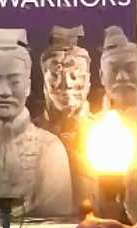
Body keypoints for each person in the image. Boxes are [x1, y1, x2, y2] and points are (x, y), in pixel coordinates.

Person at [0, 28, 72, 218]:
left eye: (14, 82)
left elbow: (56, 216)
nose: (4, 91)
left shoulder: (50, 148)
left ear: (27, 86)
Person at [34, 25, 93, 205]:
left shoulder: (108, 132)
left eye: (75, 75)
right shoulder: (32, 130)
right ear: (44, 81)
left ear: (88, 81)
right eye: (56, 74)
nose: (66, 84)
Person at [99, 26, 137, 114]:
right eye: (114, 70)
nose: (122, 77)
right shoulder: (91, 125)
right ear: (102, 76)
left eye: (130, 69)